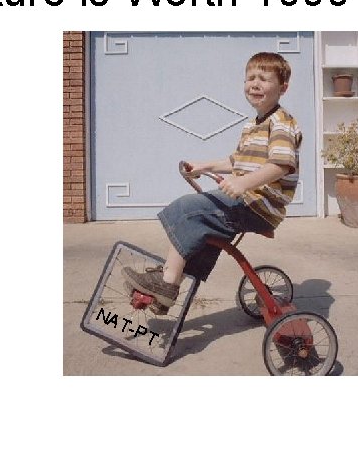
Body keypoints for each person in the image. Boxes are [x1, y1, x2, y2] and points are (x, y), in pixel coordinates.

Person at [122, 52, 302, 314]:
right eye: (250, 78)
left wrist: (243, 183)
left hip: (259, 205)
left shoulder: (281, 123)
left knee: (190, 209)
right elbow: (236, 161)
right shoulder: (252, 126)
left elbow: (281, 165)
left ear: (282, 88)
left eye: (264, 79)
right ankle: (170, 280)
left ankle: (167, 283)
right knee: (201, 225)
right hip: (246, 200)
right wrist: (203, 166)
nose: (255, 84)